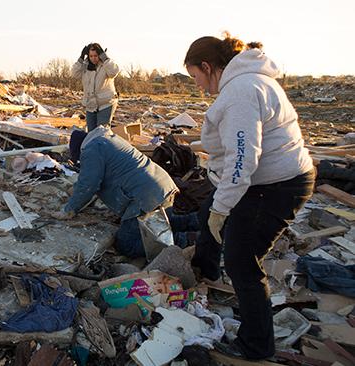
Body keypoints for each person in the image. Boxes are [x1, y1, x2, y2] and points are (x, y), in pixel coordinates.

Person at [184, 34, 315, 360]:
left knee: (243, 262)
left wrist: (222, 208)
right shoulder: (249, 81)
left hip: (274, 186)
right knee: (206, 214)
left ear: (207, 66)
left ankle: (255, 345)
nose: (197, 85)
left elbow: (243, 162)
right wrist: (215, 207)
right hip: (268, 181)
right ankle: (206, 271)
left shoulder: (240, 92)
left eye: (195, 77)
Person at [53, 127, 179, 257]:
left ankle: (184, 241)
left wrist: (69, 209)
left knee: (126, 244)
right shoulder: (106, 140)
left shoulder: (91, 149)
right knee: (165, 222)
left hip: (145, 196)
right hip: (161, 187)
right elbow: (93, 177)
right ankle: (194, 223)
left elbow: (89, 184)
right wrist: (77, 188)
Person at [71, 43, 120, 132]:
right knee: (91, 133)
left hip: (105, 103)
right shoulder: (85, 66)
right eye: (91, 56)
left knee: (101, 133)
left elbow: (114, 72)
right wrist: (81, 59)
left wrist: (105, 58)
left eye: (96, 56)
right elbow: (74, 74)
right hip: (90, 105)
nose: (94, 58)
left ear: (100, 55)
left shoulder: (105, 65)